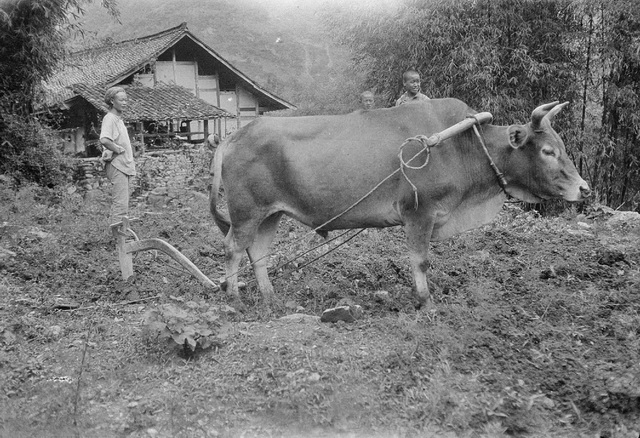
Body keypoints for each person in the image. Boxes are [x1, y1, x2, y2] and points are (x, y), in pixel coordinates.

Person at [100, 86, 136, 223]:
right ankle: (119, 241)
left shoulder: (118, 119)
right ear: (111, 101)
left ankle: (121, 236)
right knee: (120, 204)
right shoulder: (110, 118)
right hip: (117, 164)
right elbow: (104, 139)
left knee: (123, 204)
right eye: (121, 100)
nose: (124, 103)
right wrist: (117, 149)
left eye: (126, 100)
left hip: (123, 165)